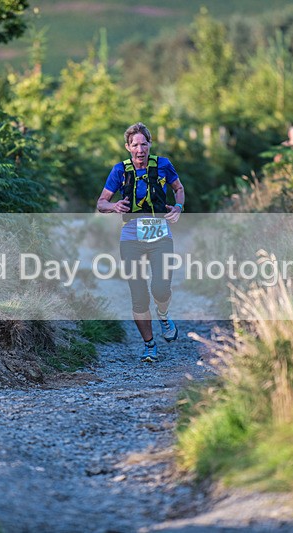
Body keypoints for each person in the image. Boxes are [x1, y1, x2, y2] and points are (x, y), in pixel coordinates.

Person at [96, 122, 185, 363]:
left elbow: (178, 189)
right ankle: (149, 346)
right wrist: (113, 206)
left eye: (143, 144)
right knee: (138, 294)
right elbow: (101, 202)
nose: (139, 149)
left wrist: (178, 207)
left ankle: (164, 314)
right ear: (127, 147)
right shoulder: (120, 170)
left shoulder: (163, 165)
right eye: (134, 145)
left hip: (160, 234)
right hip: (131, 237)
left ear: (149, 144)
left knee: (160, 288)